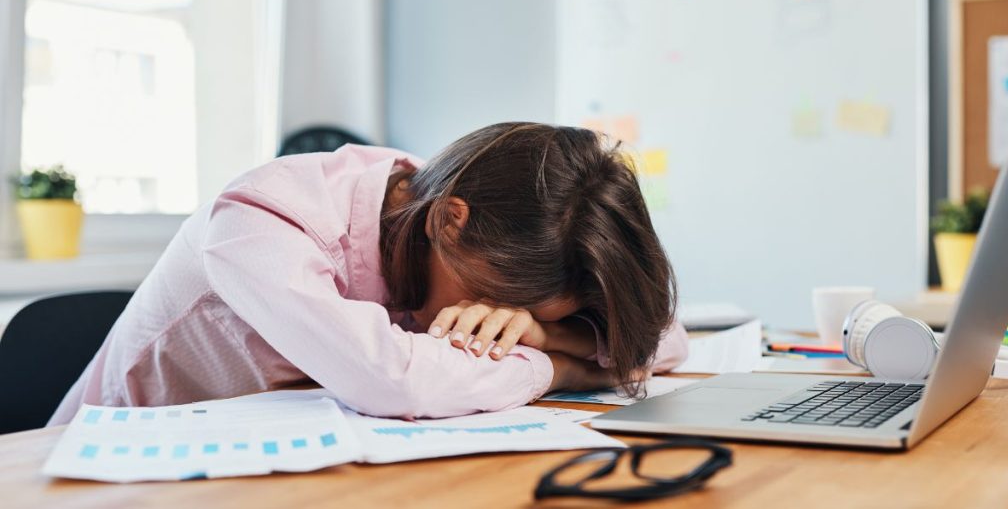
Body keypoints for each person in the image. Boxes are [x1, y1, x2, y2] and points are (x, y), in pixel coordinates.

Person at [49, 122, 687, 424]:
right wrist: (566, 368)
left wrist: (549, 332)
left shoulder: (470, 209)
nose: (500, 319)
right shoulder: (262, 218)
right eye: (503, 297)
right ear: (449, 222)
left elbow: (664, 337)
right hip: (118, 469)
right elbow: (394, 381)